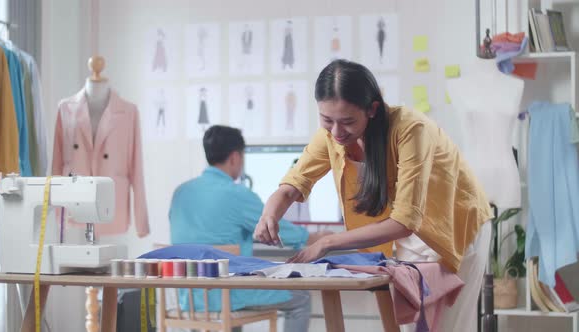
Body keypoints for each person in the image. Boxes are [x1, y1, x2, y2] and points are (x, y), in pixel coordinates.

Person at [253, 59, 493, 331]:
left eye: (347, 122)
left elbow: (404, 221)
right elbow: (292, 185)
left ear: (372, 110)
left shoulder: (410, 129)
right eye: (326, 120)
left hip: (456, 226)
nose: (336, 132)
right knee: (412, 325)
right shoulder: (331, 136)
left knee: (449, 326)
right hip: (408, 236)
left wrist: (326, 242)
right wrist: (269, 213)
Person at [170, 125, 327, 332]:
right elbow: (275, 226)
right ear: (235, 157)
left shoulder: (180, 192)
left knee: (236, 280)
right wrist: (316, 237)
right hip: (225, 295)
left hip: (187, 298)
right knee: (301, 297)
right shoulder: (236, 194)